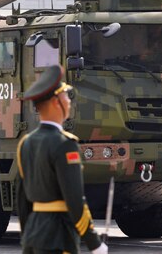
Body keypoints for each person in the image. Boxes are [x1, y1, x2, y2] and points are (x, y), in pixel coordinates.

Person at [16, 65, 108, 254]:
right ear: (55, 102)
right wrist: (94, 243)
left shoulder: (26, 144)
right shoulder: (65, 144)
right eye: (66, 95)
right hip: (58, 237)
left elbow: (22, 201)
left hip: (33, 236)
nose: (69, 101)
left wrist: (28, 236)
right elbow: (74, 200)